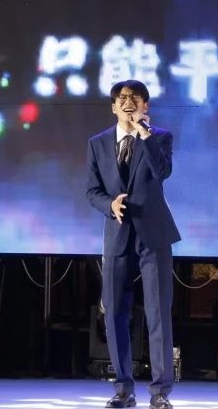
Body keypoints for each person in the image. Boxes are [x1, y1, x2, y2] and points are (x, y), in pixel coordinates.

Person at [86, 80, 181, 409]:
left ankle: (160, 393)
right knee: (114, 313)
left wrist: (145, 135)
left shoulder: (160, 137)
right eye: (122, 98)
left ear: (145, 106)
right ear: (114, 107)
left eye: (135, 98)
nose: (128, 102)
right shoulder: (97, 143)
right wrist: (109, 205)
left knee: (158, 313)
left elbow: (162, 171)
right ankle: (123, 390)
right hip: (117, 234)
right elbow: (92, 190)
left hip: (153, 234)